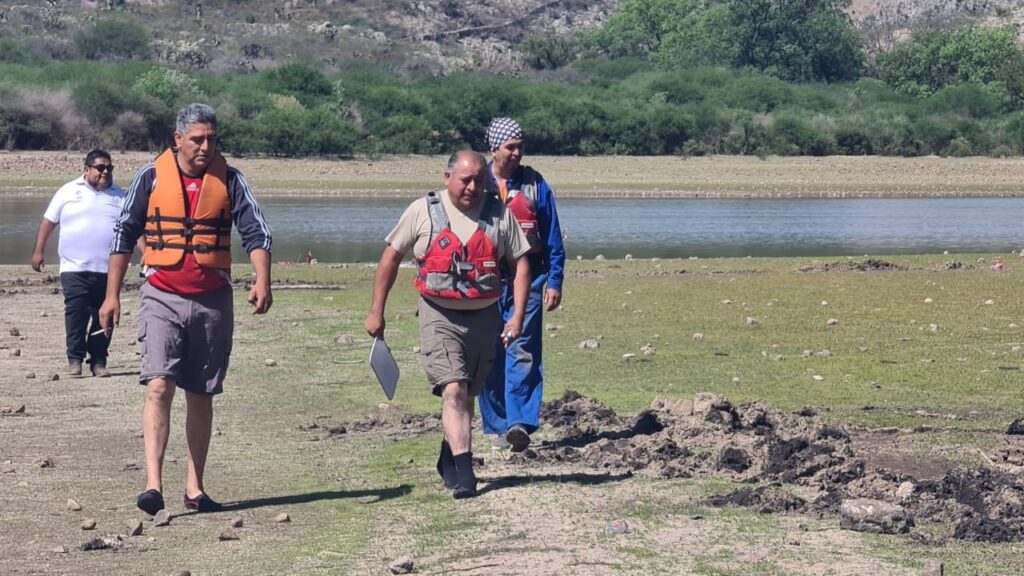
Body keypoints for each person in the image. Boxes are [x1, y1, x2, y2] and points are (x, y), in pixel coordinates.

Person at [99, 103, 273, 516]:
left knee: (201, 393)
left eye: (211, 139)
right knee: (159, 385)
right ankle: (153, 485)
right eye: (197, 139)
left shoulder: (230, 179)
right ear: (177, 139)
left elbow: (257, 232)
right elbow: (124, 233)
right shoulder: (150, 176)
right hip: (161, 294)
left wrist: (262, 279)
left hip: (213, 298)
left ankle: (195, 487)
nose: (205, 147)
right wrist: (112, 295)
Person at [365, 150, 530, 499]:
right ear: (447, 178)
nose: (472, 187)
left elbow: (520, 264)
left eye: (479, 181)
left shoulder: (500, 214)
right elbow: (390, 259)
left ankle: (449, 456)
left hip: (486, 315)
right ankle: (466, 474)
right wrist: (376, 311)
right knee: (452, 388)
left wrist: (516, 316)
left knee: (467, 393)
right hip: (438, 314)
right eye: (465, 180)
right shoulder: (422, 211)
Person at [478, 117, 565, 453]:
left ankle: (520, 424)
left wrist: (555, 279)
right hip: (484, 281)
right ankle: (498, 425)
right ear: (493, 148)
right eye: (509, 147)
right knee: (489, 351)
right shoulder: (476, 182)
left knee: (522, 348)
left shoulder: (535, 184)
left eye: (520, 146)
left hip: (529, 279)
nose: (516, 153)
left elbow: (552, 233)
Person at [31, 150, 126, 378]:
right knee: (76, 313)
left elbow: (133, 230)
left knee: (105, 315)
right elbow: (49, 222)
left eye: (109, 168)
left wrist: (147, 255)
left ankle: (99, 361)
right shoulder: (68, 191)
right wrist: (38, 251)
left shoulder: (120, 196)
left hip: (108, 269)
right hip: (74, 268)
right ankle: (75, 359)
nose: (105, 172)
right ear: (86, 169)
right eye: (100, 167)